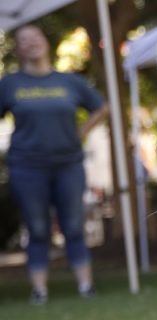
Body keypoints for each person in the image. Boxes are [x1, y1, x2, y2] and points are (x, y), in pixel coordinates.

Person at [0, 24, 108, 304]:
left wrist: (81, 132)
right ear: (18, 49)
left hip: (68, 165)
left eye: (35, 36)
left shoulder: (69, 82)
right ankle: (39, 290)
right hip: (27, 166)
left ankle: (86, 286)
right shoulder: (10, 84)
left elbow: (102, 107)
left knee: (73, 226)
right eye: (23, 40)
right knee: (37, 229)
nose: (31, 42)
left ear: (45, 42)